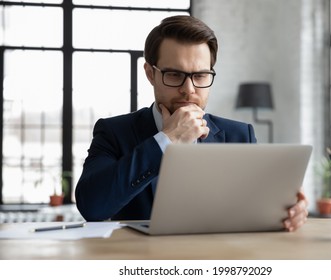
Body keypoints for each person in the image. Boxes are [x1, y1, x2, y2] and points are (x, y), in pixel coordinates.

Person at [75, 15, 308, 231]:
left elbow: (260, 207)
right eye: (174, 75)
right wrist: (167, 139)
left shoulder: (240, 135)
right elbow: (92, 207)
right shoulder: (114, 132)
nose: (189, 89)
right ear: (150, 73)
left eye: (200, 76)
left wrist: (291, 210)